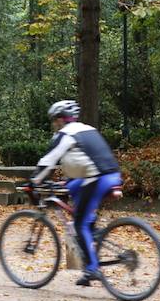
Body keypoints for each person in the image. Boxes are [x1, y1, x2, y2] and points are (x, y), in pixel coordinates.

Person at [29, 100, 122, 286]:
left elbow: (49, 159)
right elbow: (85, 159)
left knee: (79, 224)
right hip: (111, 175)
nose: (54, 124)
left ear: (61, 120)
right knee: (73, 189)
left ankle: (92, 269)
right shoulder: (87, 129)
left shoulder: (65, 134)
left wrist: (34, 180)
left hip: (97, 179)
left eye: (55, 120)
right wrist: (68, 181)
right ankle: (92, 234)